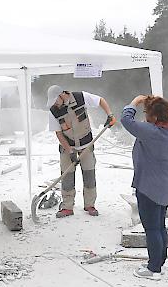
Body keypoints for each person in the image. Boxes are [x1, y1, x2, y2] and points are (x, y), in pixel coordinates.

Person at [120, 94, 168, 280]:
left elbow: (125, 119)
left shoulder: (151, 131)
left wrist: (135, 101)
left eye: (147, 112)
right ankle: (159, 262)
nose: (145, 115)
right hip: (165, 185)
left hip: (148, 185)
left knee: (152, 228)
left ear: (154, 117)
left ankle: (154, 268)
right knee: (160, 226)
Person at [47, 85, 117, 218]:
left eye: (56, 100)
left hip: (86, 144)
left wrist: (110, 114)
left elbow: (100, 100)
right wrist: (70, 151)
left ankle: (89, 205)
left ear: (62, 95)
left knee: (89, 174)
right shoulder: (53, 111)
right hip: (68, 146)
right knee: (67, 177)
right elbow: (59, 134)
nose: (55, 104)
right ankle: (67, 207)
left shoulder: (80, 97)